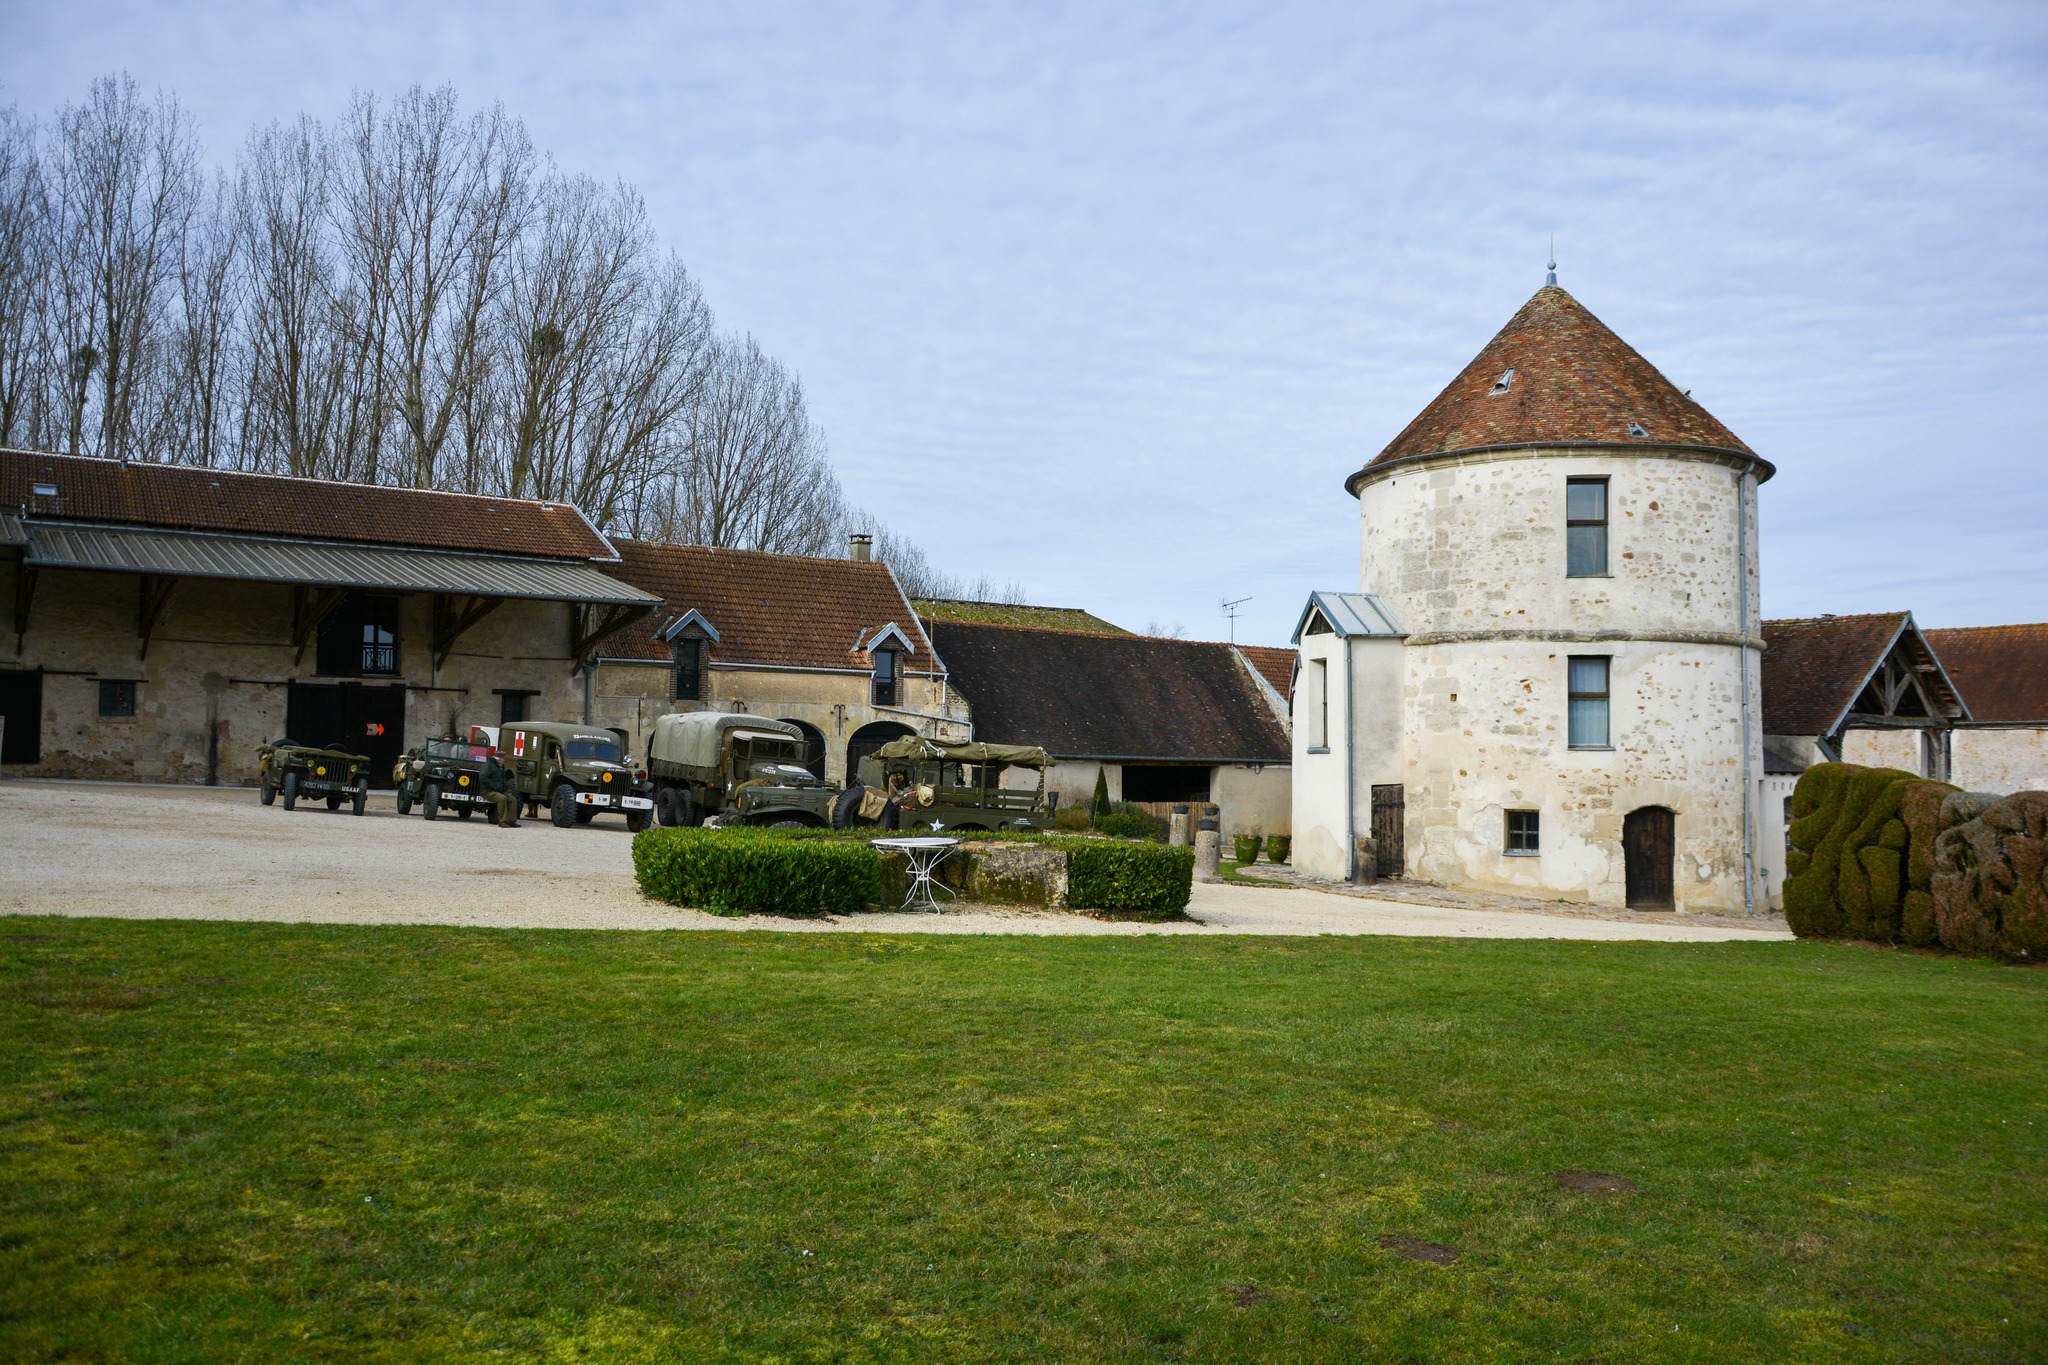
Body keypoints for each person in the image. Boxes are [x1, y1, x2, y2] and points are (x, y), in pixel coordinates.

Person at [479, 747, 520, 827]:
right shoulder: (488, 765)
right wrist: (494, 786)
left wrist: (505, 787)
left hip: (498, 791)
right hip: (488, 791)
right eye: (503, 758)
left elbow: (502, 778)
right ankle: (502, 821)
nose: (504, 760)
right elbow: (482, 777)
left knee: (512, 799)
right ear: (499, 759)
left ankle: (511, 820)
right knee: (502, 798)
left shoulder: (500, 766)